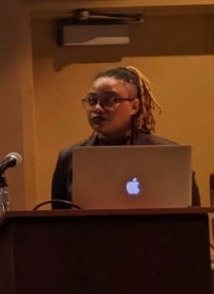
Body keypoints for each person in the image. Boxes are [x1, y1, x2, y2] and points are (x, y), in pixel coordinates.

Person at [50, 64, 199, 207]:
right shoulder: (70, 157)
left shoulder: (170, 156)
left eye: (109, 100)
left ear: (134, 106)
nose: (97, 108)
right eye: (92, 100)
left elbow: (194, 217)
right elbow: (58, 218)